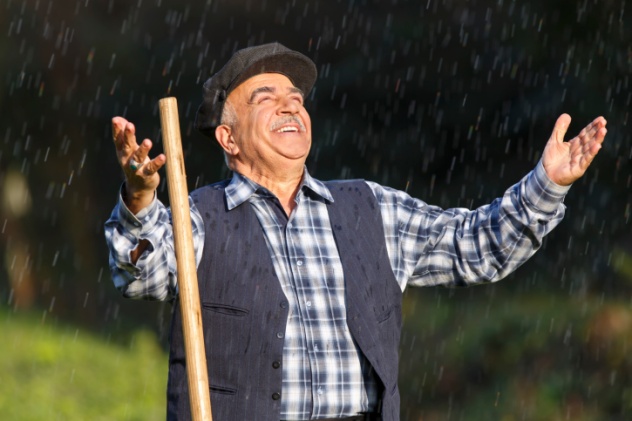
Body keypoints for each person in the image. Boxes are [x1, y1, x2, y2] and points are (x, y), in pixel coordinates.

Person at [105, 42, 607, 421]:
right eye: (266, 97)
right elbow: (140, 275)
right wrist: (141, 199)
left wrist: (547, 184)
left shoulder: (371, 206)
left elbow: (476, 248)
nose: (290, 106)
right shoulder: (198, 218)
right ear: (227, 138)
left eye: (296, 98)